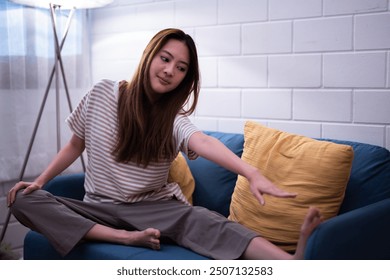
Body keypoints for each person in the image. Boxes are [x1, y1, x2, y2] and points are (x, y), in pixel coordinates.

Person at [7, 28, 321, 260]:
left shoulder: (173, 118)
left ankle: (291, 262)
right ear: (151, 55)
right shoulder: (102, 93)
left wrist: (250, 172)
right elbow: (76, 144)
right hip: (96, 209)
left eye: (181, 68)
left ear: (186, 78)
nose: (170, 70)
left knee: (206, 220)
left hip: (154, 209)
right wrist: (40, 182)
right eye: (166, 59)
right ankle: (124, 238)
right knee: (22, 198)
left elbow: (203, 141)